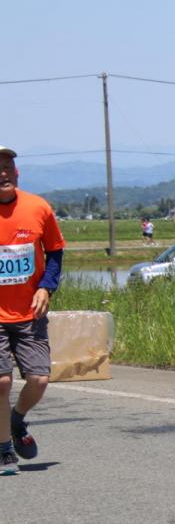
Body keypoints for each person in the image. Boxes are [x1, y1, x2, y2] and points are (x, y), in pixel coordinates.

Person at [0, 147, 66, 475]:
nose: (3, 173)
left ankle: (15, 420)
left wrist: (46, 287)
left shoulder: (38, 207)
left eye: (8, 166)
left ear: (16, 173)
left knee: (38, 379)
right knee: (1, 381)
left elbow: (55, 252)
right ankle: (4, 450)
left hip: (30, 311)